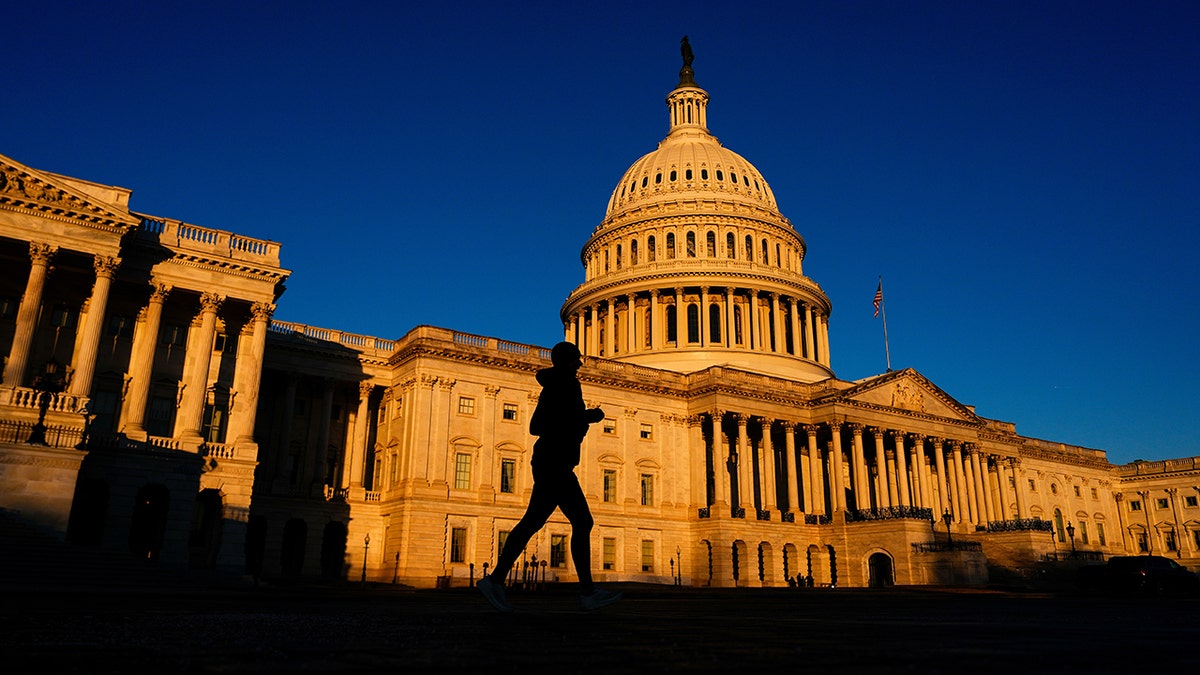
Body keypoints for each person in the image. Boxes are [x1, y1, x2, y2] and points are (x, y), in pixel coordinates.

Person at [478, 342, 622, 612]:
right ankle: (587, 592)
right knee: (580, 521)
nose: (580, 364)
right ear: (567, 361)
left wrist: (579, 417)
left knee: (537, 522)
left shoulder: (560, 385)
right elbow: (537, 426)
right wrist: (583, 417)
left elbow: (550, 422)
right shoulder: (562, 385)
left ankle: (496, 580)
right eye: (576, 360)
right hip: (553, 462)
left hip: (555, 463)